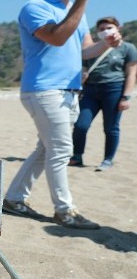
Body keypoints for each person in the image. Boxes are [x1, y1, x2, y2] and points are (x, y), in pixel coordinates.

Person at [3, 0, 122, 229]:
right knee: (60, 150)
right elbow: (56, 38)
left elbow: (85, 50)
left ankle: (14, 199)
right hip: (45, 89)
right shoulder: (35, 7)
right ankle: (65, 211)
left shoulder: (74, 11)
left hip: (68, 91)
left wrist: (106, 43)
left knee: (46, 148)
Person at [70, 16, 137, 172]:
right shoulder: (92, 48)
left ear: (118, 28)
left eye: (109, 28)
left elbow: (131, 74)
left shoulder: (128, 48)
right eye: (101, 29)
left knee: (111, 127)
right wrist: (83, 76)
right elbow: (83, 67)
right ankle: (77, 156)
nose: (105, 31)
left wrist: (126, 97)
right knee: (81, 125)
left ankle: (108, 159)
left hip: (113, 90)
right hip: (90, 91)